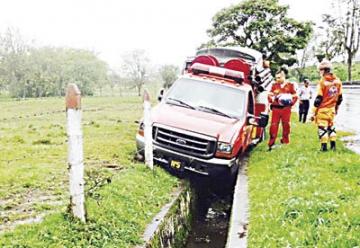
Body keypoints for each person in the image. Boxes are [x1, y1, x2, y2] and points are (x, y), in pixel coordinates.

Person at [311, 59, 343, 151]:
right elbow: (340, 98)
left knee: (322, 128)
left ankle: (324, 148)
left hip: (322, 110)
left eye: (320, 71)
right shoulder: (338, 81)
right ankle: (333, 146)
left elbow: (318, 99)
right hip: (332, 109)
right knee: (331, 127)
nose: (319, 72)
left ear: (323, 70)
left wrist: (313, 112)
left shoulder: (322, 82)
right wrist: (336, 109)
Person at [267, 67, 298, 151]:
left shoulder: (290, 85)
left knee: (286, 125)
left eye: (279, 77)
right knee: (273, 125)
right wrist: (271, 99)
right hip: (276, 109)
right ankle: (271, 143)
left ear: (283, 76)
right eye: (276, 78)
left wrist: (291, 103)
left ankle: (285, 140)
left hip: (286, 108)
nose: (277, 79)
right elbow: (269, 95)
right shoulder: (274, 85)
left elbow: (295, 96)